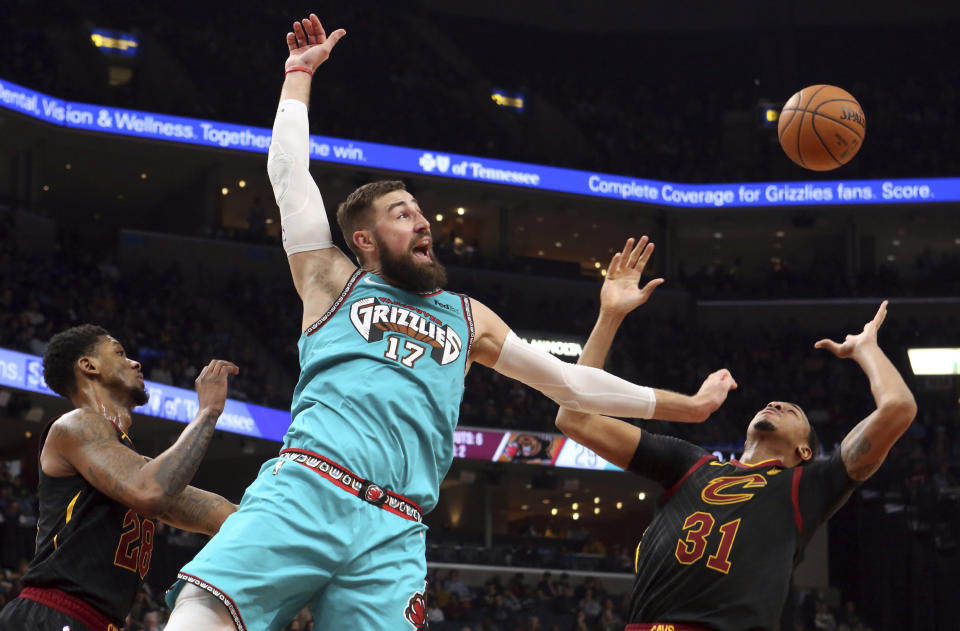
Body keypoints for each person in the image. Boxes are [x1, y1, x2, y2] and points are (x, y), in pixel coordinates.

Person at [163, 14, 737, 631]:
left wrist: (691, 407)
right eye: (403, 214)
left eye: (420, 212)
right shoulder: (333, 277)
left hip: (396, 528)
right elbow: (287, 175)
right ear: (363, 238)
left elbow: (568, 387)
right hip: (308, 486)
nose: (423, 222)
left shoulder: (469, 316)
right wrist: (298, 76)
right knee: (206, 610)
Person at [554, 239, 917, 631]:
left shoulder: (807, 485)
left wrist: (866, 350)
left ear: (805, 450)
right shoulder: (689, 464)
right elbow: (575, 419)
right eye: (775, 403)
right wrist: (610, 315)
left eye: (792, 410)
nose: (776, 403)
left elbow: (897, 408)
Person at [0, 324, 238, 631]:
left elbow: (224, 515)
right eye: (120, 353)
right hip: (53, 615)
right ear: (88, 366)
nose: (135, 363)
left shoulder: (129, 467)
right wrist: (207, 412)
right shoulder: (76, 424)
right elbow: (151, 491)